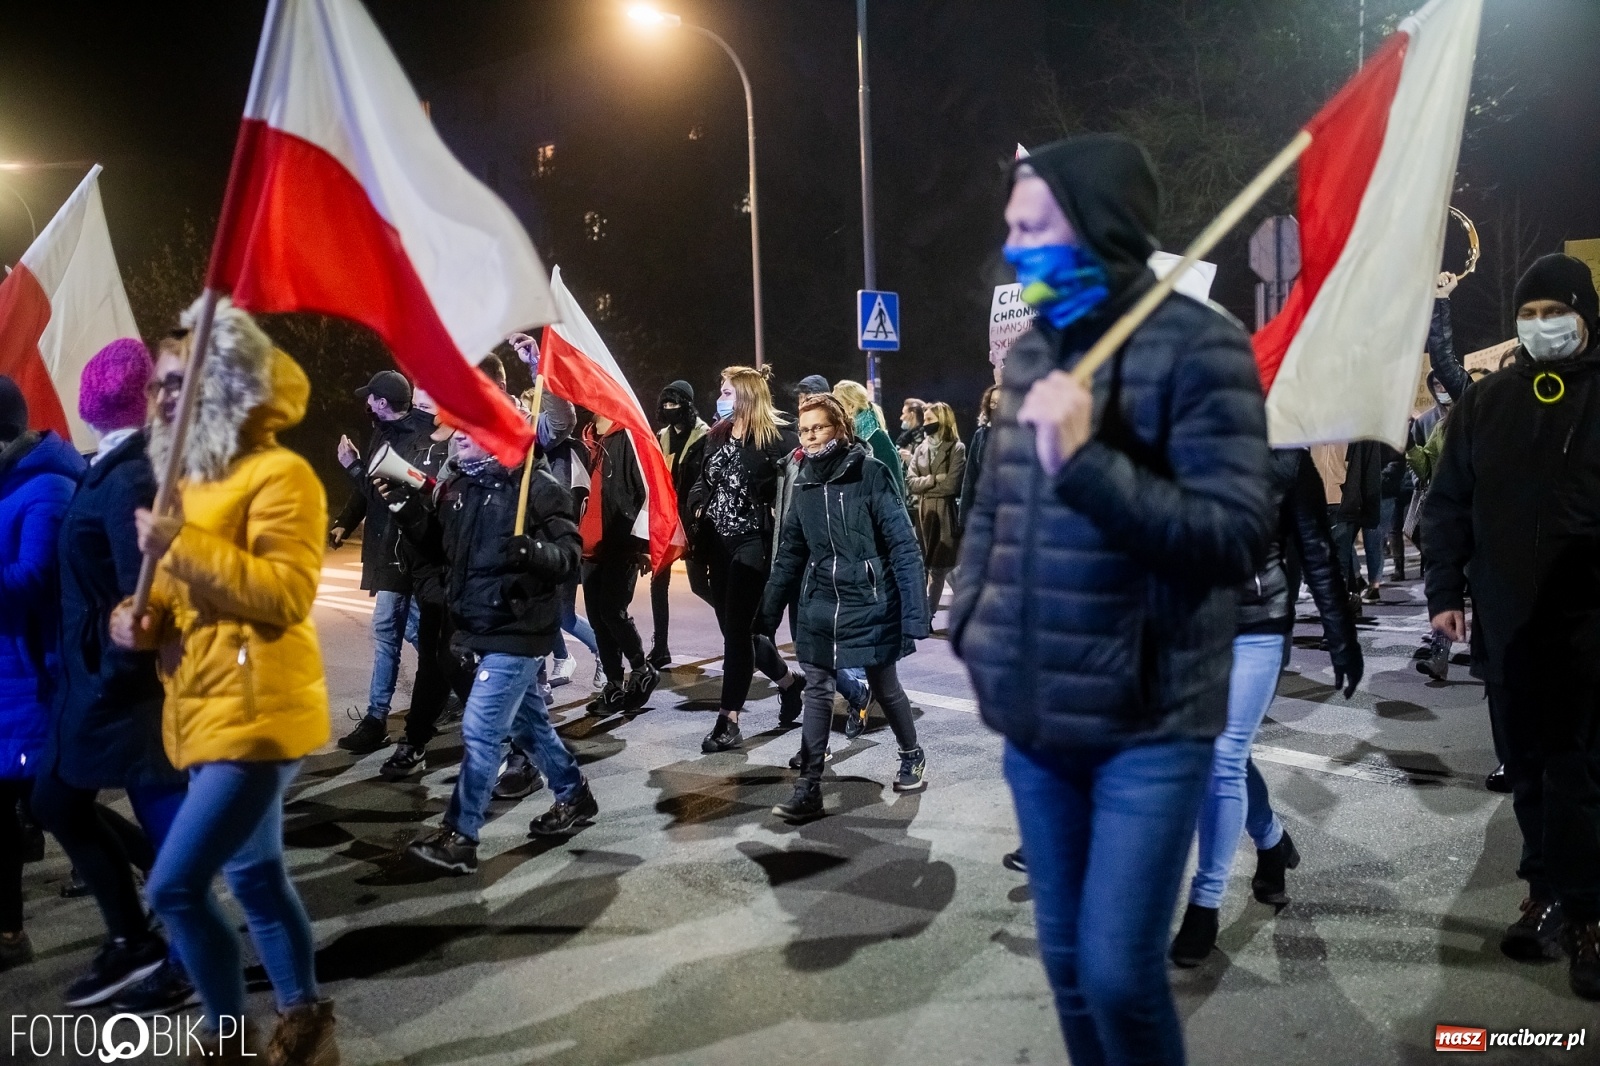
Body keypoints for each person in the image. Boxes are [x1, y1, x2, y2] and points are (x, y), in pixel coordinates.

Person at [949, 135, 1271, 1063]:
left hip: (1151, 719)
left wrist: (1089, 466)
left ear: (1098, 227)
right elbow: (992, 512)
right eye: (1012, 228)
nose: (1016, 250)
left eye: (1034, 226)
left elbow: (1235, 536)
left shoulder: (1202, 347)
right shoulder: (1029, 356)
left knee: (1122, 975)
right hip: (1039, 719)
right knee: (1065, 968)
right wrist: (976, 621)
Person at [110, 300, 337, 1061]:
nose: (166, 395)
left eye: (185, 381)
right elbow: (178, 599)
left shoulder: (283, 473)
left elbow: (283, 595)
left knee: (173, 887)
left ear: (227, 386)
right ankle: (304, 1019)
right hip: (203, 710)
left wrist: (180, 549)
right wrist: (135, 621)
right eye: (161, 384)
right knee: (257, 875)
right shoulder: (188, 483)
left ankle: (224, 1034)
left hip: (257, 713)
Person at [1423, 253, 1600, 1001]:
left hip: (1589, 626)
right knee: (1526, 767)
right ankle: (1546, 893)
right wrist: (1445, 590)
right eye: (1527, 315)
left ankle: (1591, 914)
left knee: (1583, 771)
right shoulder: (1486, 402)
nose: (1540, 326)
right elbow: (1447, 504)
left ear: (1584, 314)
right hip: (1506, 622)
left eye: (1553, 311)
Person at [31, 340, 194, 1013]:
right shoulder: (115, 465)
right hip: (102, 685)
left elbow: (144, 599)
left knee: (150, 827)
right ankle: (140, 937)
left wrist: (111, 676)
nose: (86, 390)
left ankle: (176, 961)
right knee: (62, 803)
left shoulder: (129, 475)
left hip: (125, 695)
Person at [1169, 448, 1364, 965]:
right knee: (1215, 753)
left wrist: (1341, 634)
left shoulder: (1285, 460)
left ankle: (1205, 902)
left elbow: (1316, 550)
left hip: (1258, 624)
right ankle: (1272, 840)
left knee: (1224, 754)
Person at [391, 423, 596, 875]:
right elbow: (440, 549)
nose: (457, 436)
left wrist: (532, 553)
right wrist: (407, 511)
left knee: (481, 728)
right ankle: (574, 794)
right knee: (529, 727)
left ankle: (460, 835)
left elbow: (569, 558)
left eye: (468, 428)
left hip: (518, 631)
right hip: (479, 627)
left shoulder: (538, 487)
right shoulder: (462, 485)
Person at [759, 396, 930, 820]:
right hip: (820, 600)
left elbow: (903, 546)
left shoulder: (872, 473)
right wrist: (768, 609)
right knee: (818, 687)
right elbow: (791, 550)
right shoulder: (803, 481)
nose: (811, 436)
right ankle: (809, 787)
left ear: (840, 428)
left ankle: (911, 753)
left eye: (819, 427)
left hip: (870, 599)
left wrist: (915, 612)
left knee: (884, 685)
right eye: (804, 429)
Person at [0, 375, 84, 973]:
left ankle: (163, 880)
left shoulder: (47, 486)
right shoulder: (11, 481)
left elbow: (34, 581)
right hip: (9, 675)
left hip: (34, 677)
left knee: (59, 805)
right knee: (37, 805)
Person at [687, 366, 804, 753]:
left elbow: (797, 488)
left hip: (753, 543)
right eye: (720, 391)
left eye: (727, 391)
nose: (721, 398)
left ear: (747, 395)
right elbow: (702, 481)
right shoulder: (716, 436)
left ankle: (728, 720)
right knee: (742, 634)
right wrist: (698, 505)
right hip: (716, 544)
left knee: (737, 633)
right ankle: (788, 682)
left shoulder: (778, 439)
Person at [329, 370, 436, 755]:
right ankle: (385, 714)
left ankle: (378, 719)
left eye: (371, 398)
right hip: (386, 550)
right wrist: (344, 521)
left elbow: (386, 487)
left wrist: (351, 466)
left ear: (384, 404)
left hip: (404, 553)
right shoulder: (383, 433)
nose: (366, 404)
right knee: (400, 632)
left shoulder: (418, 438)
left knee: (390, 632)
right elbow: (369, 493)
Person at [372, 387, 462, 783]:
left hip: (465, 579)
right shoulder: (436, 454)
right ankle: (416, 737)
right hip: (432, 575)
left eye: (429, 404)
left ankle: (517, 749)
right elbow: (431, 530)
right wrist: (403, 506)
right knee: (434, 661)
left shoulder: (475, 456)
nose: (421, 414)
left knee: (461, 667)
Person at [650, 381, 708, 669]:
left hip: (692, 517)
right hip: (667, 516)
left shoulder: (705, 436)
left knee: (699, 584)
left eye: (675, 404)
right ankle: (660, 647)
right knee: (658, 580)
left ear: (687, 405)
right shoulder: (661, 437)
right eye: (666, 405)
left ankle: (743, 629)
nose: (670, 410)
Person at [907, 401, 965, 622]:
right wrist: (933, 479)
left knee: (942, 566)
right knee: (934, 566)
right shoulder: (921, 448)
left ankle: (928, 615)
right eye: (925, 420)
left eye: (930, 420)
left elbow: (951, 485)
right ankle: (930, 615)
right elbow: (910, 481)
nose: (925, 424)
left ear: (943, 420)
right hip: (924, 513)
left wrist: (929, 483)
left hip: (944, 512)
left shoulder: (956, 448)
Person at [834, 379, 905, 501]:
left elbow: (893, 491)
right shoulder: (847, 440)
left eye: (836, 404)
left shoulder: (879, 442)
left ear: (851, 406)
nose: (831, 410)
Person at [959, 385, 1000, 526]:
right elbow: (970, 476)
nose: (996, 407)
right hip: (985, 507)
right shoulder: (980, 435)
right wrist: (964, 517)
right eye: (993, 403)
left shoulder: (1019, 434)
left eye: (1000, 402)